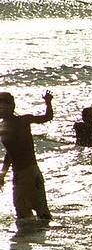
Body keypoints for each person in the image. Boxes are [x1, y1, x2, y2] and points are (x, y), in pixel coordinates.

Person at [0, 91, 53, 220]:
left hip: (30, 172)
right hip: (18, 175)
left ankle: (49, 236)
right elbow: (10, 152)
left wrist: (48, 102)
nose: (1, 108)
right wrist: (3, 173)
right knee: (22, 216)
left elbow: (47, 117)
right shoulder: (2, 127)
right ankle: (28, 240)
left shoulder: (23, 120)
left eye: (4, 105)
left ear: (12, 106)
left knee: (42, 213)